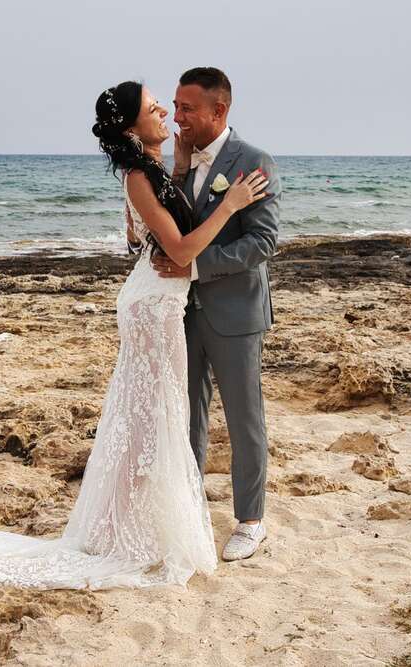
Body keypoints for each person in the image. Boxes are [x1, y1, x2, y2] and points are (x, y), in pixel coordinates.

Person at [0, 81, 268, 589]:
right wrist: (226, 206)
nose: (167, 111)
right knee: (160, 416)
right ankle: (146, 526)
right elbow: (177, 247)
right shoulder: (141, 174)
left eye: (176, 106)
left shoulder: (169, 167)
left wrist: (181, 174)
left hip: (179, 303)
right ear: (131, 129)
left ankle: (195, 520)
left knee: (165, 416)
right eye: (157, 107)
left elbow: (155, 233)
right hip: (156, 306)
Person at [151, 67, 281, 561]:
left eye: (187, 108)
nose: (177, 117)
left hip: (235, 312)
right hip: (182, 312)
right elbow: (175, 225)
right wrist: (180, 171)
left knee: (244, 419)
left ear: (219, 110)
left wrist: (196, 267)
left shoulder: (252, 161)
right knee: (187, 415)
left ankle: (251, 521)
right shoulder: (182, 162)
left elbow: (263, 242)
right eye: (175, 106)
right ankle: (190, 511)